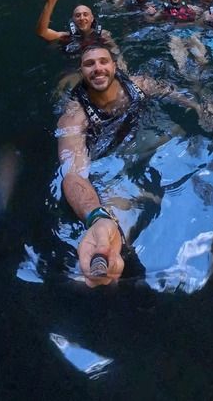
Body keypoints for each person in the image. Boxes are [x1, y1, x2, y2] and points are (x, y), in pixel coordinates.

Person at [56, 44, 202, 286]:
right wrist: (97, 216)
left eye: (103, 61)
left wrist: (202, 112)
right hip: (108, 157)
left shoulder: (139, 84)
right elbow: (73, 176)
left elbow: (176, 94)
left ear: (114, 66)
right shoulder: (74, 117)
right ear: (82, 72)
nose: (97, 68)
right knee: (117, 214)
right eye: (89, 64)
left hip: (146, 138)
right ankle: (117, 255)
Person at [36, 0, 117, 55]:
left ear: (92, 18)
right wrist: (50, 3)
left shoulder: (103, 35)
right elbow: (42, 32)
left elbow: (116, 52)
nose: (82, 18)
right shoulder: (67, 36)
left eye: (85, 14)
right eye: (78, 15)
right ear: (73, 20)